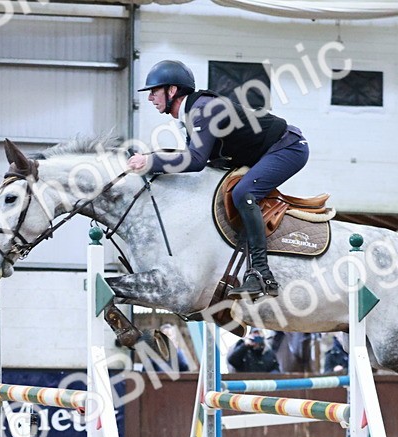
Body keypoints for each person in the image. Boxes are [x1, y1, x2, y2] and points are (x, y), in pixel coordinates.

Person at [126, 59, 310, 300]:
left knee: (244, 193)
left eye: (154, 91)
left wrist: (150, 162)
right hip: (267, 151)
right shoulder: (190, 115)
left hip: (289, 148)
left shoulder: (203, 110)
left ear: (172, 90)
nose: (150, 98)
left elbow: (195, 161)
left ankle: (262, 274)